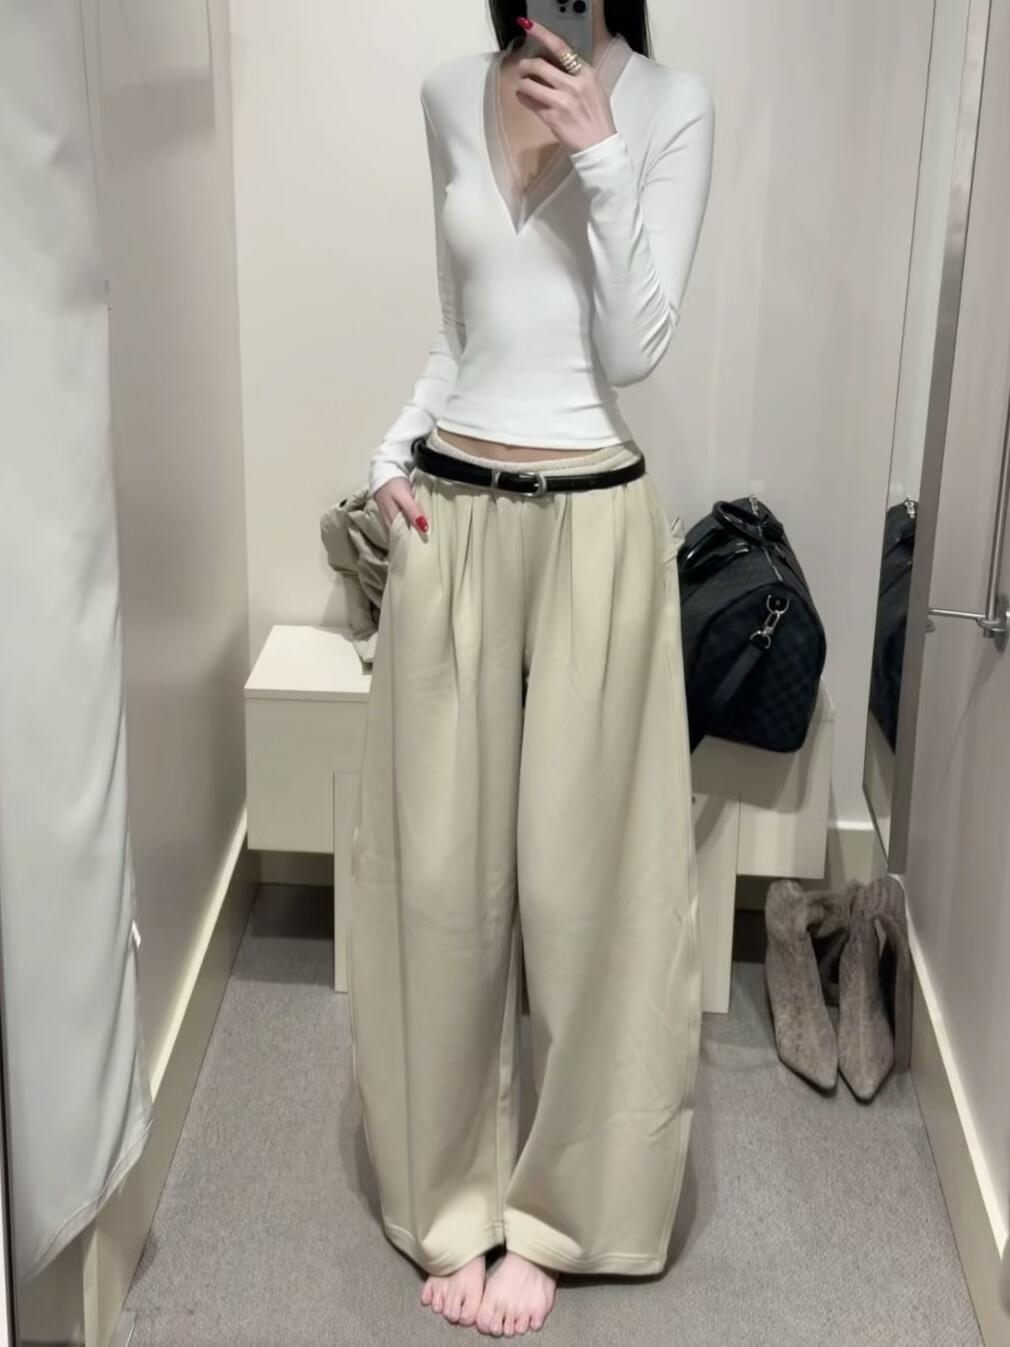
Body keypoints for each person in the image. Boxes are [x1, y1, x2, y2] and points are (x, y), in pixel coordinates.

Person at [348, 1, 714, 1335]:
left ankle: (564, 1212)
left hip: (595, 520)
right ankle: (452, 1191)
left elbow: (634, 350)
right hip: (450, 516)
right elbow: (458, 329)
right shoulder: (449, 90)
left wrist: (602, 149)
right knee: (438, 874)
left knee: (587, 884)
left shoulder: (669, 105)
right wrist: (389, 455)